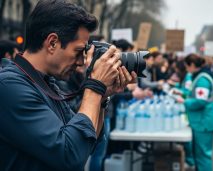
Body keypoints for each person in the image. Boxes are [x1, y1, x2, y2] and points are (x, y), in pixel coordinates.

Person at [0, 1, 136, 170]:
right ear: (52, 43)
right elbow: (71, 155)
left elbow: (86, 142)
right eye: (79, 51)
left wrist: (102, 96)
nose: (81, 62)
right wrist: (94, 86)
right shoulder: (9, 87)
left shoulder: (46, 83)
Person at [177, 54, 213, 171]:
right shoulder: (199, 77)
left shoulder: (202, 80)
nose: (186, 69)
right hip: (201, 121)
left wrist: (184, 101)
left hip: (204, 122)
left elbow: (200, 101)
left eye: (187, 66)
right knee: (199, 154)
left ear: (192, 65)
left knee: (203, 155)